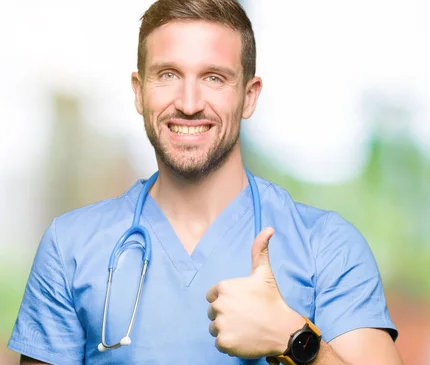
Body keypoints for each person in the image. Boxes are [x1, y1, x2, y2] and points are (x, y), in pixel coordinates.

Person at [8, 0, 403, 364]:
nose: (190, 102)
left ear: (249, 96)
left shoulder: (327, 248)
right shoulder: (70, 248)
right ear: (138, 91)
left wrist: (292, 338)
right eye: (168, 75)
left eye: (214, 77)